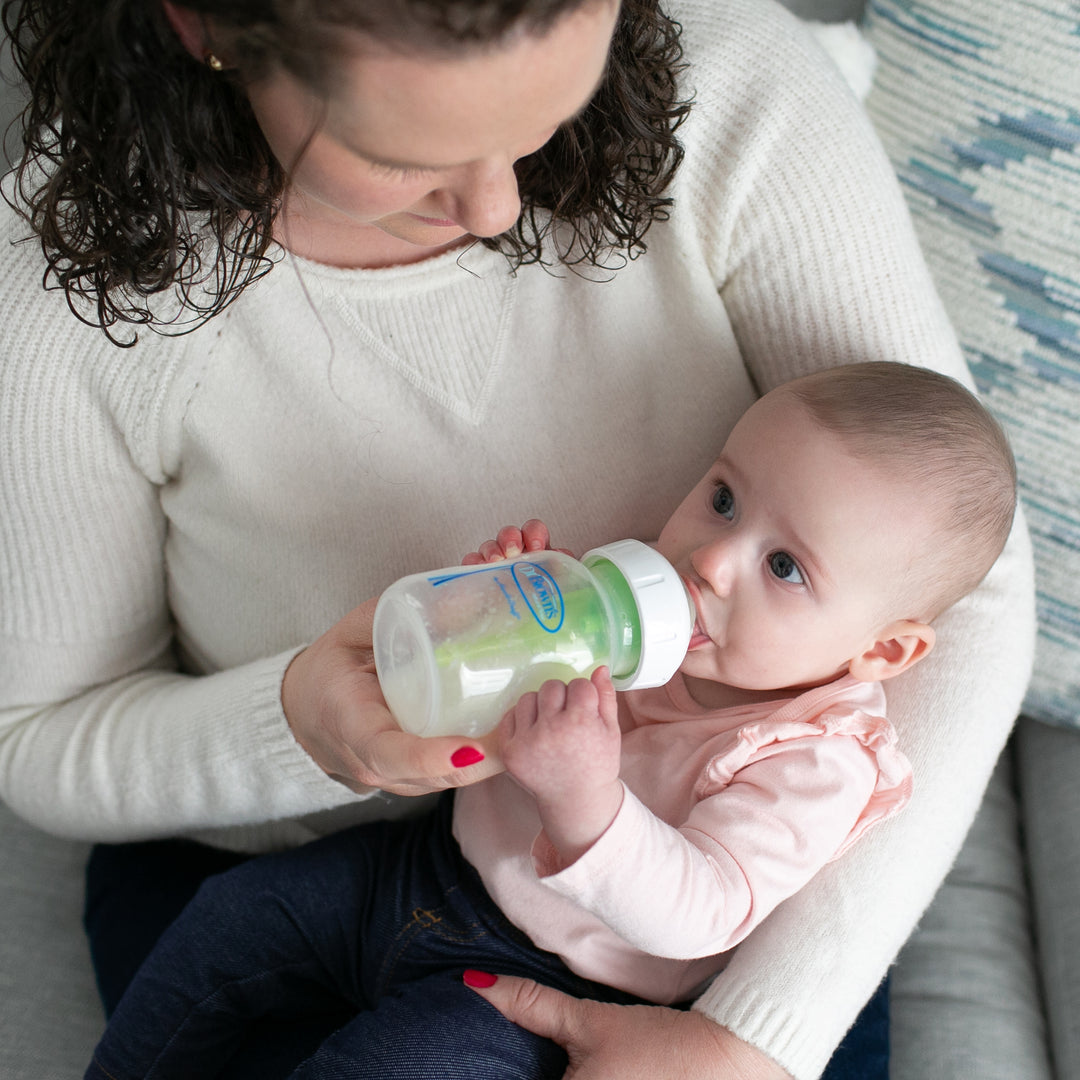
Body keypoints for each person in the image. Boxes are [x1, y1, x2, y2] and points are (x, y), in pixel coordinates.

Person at [0, 0, 1035, 1077]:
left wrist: (755, 1042)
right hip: (332, 859)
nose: (498, 209)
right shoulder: (65, 284)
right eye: (402, 155)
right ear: (206, 23)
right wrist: (296, 721)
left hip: (658, 967)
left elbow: (965, 581)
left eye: (550, 109)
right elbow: (36, 733)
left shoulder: (728, 79)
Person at [81, 361, 1018, 1080]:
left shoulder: (817, 757)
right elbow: (474, 695)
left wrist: (588, 805)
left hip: (544, 988)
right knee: (224, 923)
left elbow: (706, 908)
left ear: (881, 653)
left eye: (785, 568)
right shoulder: (637, 616)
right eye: (724, 499)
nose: (713, 562)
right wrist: (494, 611)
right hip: (422, 867)